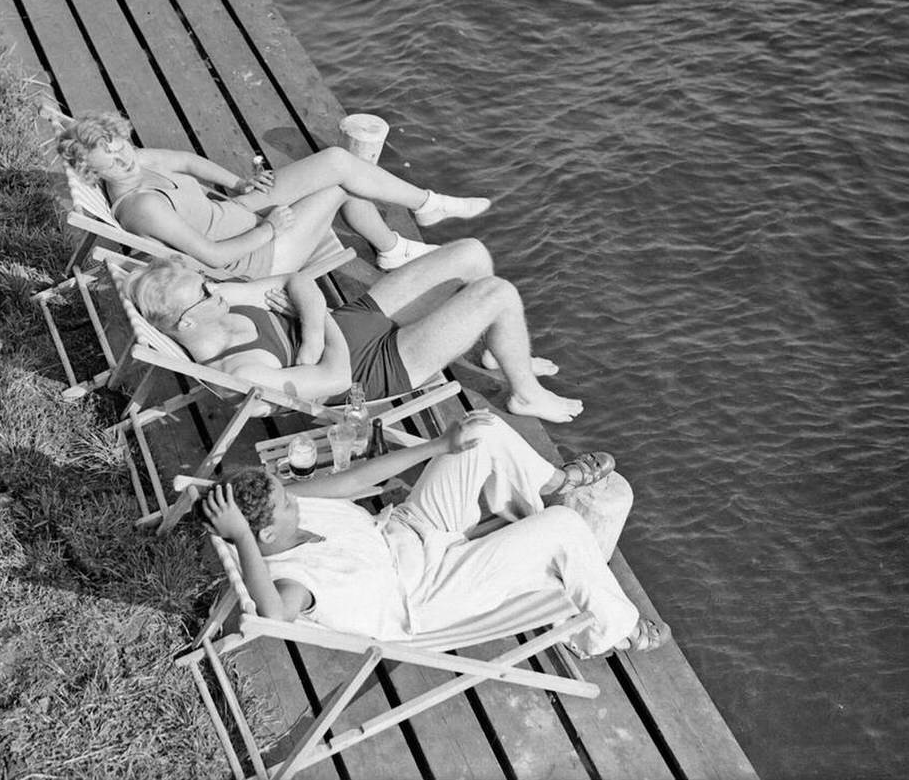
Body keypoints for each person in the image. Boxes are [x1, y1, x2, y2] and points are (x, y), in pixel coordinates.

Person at [198, 410, 669, 658]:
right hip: (428, 592)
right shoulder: (290, 580)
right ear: (261, 536)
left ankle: (553, 484)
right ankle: (618, 631)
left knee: (481, 428)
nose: (296, 499)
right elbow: (274, 615)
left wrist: (439, 446)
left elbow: (358, 482)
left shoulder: (293, 515)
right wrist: (239, 537)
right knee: (565, 527)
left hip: (409, 526)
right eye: (286, 504)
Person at [121, 237, 583, 423]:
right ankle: (525, 392)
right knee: (496, 292)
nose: (218, 289)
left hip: (345, 323)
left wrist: (315, 334)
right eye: (205, 291)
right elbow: (338, 380)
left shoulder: (215, 306)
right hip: (378, 367)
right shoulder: (246, 373)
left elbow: (294, 279)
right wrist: (316, 319)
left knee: (471, 254)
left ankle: (496, 351)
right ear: (186, 322)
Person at [56, 112, 491, 277]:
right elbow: (212, 257)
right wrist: (269, 230)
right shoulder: (142, 206)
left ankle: (427, 205)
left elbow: (188, 162)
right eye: (111, 159)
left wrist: (236, 184)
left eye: (122, 146)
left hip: (234, 209)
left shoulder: (137, 162)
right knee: (340, 183)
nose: (124, 159)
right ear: (89, 169)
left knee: (339, 160)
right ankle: (392, 247)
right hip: (257, 254)